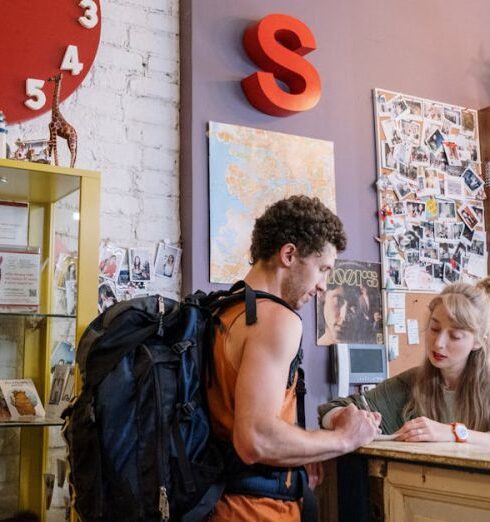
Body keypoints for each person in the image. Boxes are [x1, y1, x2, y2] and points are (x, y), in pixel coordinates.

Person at [206, 195, 380, 522]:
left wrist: (303, 451)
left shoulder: (224, 310)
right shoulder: (276, 320)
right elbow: (254, 438)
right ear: (289, 254)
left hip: (219, 506)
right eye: (322, 269)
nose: (322, 285)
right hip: (257, 512)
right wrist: (343, 438)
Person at [319, 278, 490, 445]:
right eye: (434, 328)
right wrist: (345, 419)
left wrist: (452, 432)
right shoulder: (409, 384)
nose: (438, 343)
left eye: (455, 336)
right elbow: (330, 410)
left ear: (477, 342)